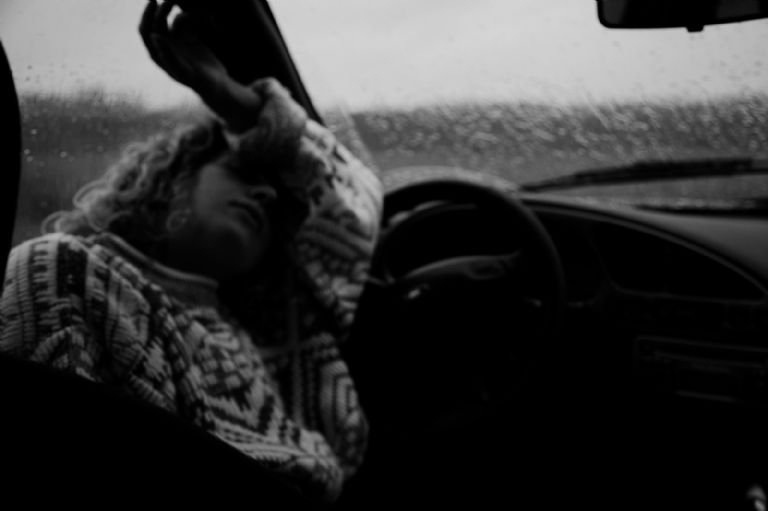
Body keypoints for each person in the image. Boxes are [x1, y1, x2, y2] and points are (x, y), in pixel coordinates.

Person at [0, 0, 382, 503]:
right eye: (242, 173)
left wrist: (238, 103)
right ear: (174, 181)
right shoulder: (69, 270)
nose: (266, 195)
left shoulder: (272, 327)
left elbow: (355, 206)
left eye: (275, 203)